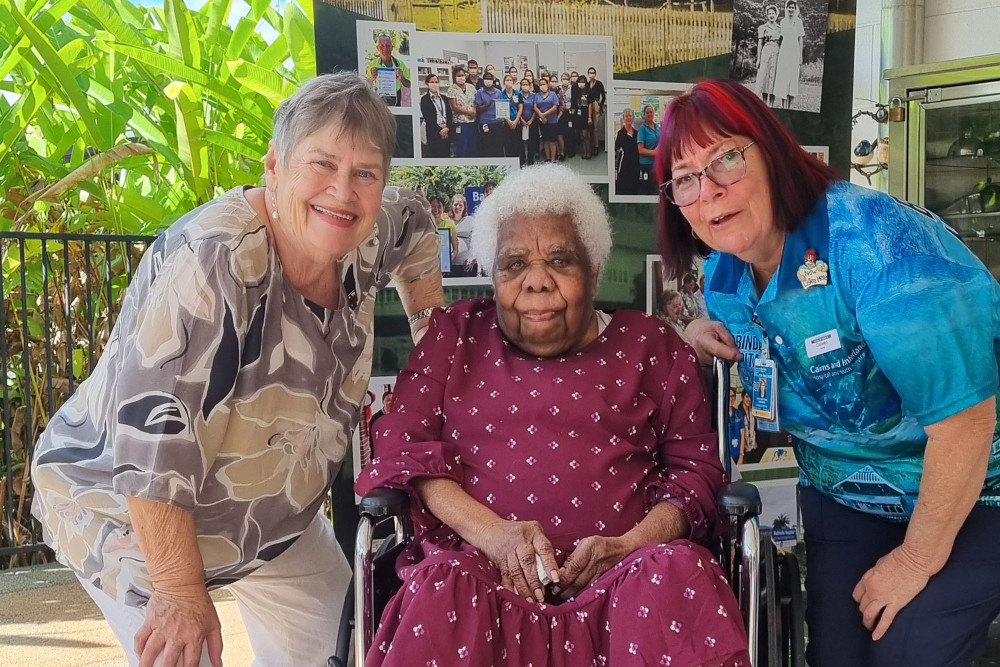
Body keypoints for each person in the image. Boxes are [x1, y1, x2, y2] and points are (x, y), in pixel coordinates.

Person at [30, 72, 445, 667]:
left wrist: (435, 350)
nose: (343, 191)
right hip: (130, 510)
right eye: (320, 164)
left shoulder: (376, 227)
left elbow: (420, 229)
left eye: (364, 173)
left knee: (340, 637)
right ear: (273, 166)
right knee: (183, 651)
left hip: (267, 514)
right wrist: (178, 590)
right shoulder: (213, 263)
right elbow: (151, 443)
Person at [656, 78, 1000, 667]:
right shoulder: (725, 282)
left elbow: (966, 422)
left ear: (772, 150)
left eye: (726, 159)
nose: (708, 191)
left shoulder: (874, 247)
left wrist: (914, 561)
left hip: (981, 483)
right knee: (836, 655)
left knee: (909, 648)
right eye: (686, 177)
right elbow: (764, 355)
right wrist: (692, 335)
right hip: (849, 490)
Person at [357, 163, 749, 667]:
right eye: (514, 264)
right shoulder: (455, 336)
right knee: (442, 588)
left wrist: (629, 544)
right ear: (493, 276)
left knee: (676, 573)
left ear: (595, 271)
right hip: (482, 576)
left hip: (629, 580)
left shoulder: (651, 345)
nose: (537, 282)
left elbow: (696, 475)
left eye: (560, 260)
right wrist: (494, 535)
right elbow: (402, 453)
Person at [772, 0, 804, 109]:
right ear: (786, 9)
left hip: (794, 52)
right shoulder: (783, 22)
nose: (790, 9)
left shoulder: (799, 22)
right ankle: (783, 106)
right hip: (784, 52)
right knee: (783, 77)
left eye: (792, 8)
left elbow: (800, 39)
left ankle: (789, 107)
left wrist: (800, 56)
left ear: (795, 9)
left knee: (793, 78)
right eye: (789, 7)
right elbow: (781, 38)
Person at [367, 32, 411, 107]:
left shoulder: (400, 64)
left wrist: (402, 78)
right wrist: (372, 77)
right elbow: (366, 84)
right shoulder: (372, 65)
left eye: (387, 46)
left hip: (396, 95)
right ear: (377, 48)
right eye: (382, 46)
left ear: (392, 47)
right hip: (379, 96)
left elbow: (408, 84)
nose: (385, 49)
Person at [448, 65, 478, 157]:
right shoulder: (452, 89)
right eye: (459, 76)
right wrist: (469, 112)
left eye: (462, 75)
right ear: (454, 77)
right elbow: (454, 107)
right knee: (462, 148)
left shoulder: (471, 87)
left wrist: (474, 110)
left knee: (473, 148)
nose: (461, 77)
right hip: (460, 123)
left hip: (472, 122)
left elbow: (475, 101)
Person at [420, 73, 452, 158]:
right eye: (432, 82)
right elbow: (428, 119)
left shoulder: (444, 98)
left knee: (447, 156)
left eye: (436, 82)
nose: (434, 84)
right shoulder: (424, 100)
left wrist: (447, 128)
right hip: (434, 134)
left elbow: (449, 114)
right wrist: (440, 131)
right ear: (427, 84)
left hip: (447, 133)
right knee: (435, 156)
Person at [754, 4, 781, 106]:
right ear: (767, 15)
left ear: (776, 15)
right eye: (769, 13)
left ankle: (772, 104)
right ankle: (765, 103)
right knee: (765, 76)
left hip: (776, 52)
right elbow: (760, 44)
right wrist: (758, 59)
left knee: (774, 76)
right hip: (766, 51)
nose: (771, 15)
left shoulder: (780, 28)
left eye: (773, 13)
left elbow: (782, 42)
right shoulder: (763, 27)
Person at [475, 71, 505, 157]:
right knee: (487, 146)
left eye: (490, 78)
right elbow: (478, 109)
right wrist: (488, 104)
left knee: (498, 146)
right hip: (485, 122)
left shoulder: (498, 92)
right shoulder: (480, 92)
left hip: (498, 122)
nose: (488, 80)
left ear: (493, 80)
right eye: (486, 78)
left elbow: (502, 106)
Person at [533, 77, 560, 163]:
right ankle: (547, 158)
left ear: (547, 85)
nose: (542, 86)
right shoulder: (537, 95)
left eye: (544, 84)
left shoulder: (553, 94)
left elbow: (555, 107)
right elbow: (535, 106)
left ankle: (553, 159)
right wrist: (541, 115)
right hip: (542, 121)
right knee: (545, 140)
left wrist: (544, 114)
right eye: (541, 85)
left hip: (552, 121)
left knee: (552, 140)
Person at [614, 107, 640, 195]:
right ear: (623, 118)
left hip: (636, 165)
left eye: (630, 116)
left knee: (635, 188)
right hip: (624, 166)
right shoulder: (620, 134)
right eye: (626, 116)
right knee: (624, 188)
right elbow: (616, 149)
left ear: (633, 117)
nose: (628, 118)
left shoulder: (637, 133)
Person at [500, 74, 524, 160]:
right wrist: (509, 121)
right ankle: (510, 161)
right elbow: (501, 108)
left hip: (517, 121)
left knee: (517, 142)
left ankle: (519, 161)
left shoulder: (518, 93)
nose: (509, 82)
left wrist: (516, 120)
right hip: (506, 122)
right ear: (504, 82)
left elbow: (520, 107)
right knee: (508, 143)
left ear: (513, 82)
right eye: (507, 80)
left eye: (510, 80)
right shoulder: (501, 94)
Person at [637, 104, 660, 194]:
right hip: (646, 165)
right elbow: (640, 150)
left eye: (651, 112)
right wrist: (654, 152)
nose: (649, 114)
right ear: (644, 114)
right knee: (648, 189)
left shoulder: (657, 127)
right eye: (647, 112)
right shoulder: (642, 129)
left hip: (656, 164)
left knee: (656, 188)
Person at [570, 74, 593, 160]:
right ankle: (584, 152)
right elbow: (573, 102)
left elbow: (590, 105)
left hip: (586, 114)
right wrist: (573, 111)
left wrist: (590, 117)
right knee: (581, 135)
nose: (581, 83)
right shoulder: (575, 91)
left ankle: (588, 152)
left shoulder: (589, 91)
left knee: (586, 134)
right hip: (578, 115)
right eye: (580, 82)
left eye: (583, 82)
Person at [431, 196, 459, 262]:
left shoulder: (449, 225)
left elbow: (456, 250)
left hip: (444, 264)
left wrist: (451, 257)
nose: (436, 209)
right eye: (433, 206)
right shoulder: (424, 226)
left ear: (443, 208)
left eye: (439, 207)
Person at [587, 67, 607, 156]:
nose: (592, 74)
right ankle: (590, 146)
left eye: (593, 72)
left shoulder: (599, 84)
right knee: (588, 127)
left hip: (596, 105)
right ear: (588, 74)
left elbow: (603, 96)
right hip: (587, 106)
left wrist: (600, 105)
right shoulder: (586, 84)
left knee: (596, 128)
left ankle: (596, 146)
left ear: (595, 74)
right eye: (590, 72)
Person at [518, 78, 537, 166]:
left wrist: (531, 120)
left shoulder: (534, 95)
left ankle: (530, 159)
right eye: (523, 84)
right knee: (521, 142)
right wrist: (521, 120)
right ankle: (522, 159)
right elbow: (517, 108)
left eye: (526, 84)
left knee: (531, 141)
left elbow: (535, 109)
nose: (525, 86)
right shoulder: (518, 95)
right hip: (521, 121)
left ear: (529, 86)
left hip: (532, 121)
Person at [726, 388, 746, 466]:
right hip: (726, 454)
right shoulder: (720, 415)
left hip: (737, 454)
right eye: (729, 396)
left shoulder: (738, 413)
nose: (731, 399)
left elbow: (742, 435)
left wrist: (741, 455)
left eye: (733, 396)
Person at [557, 74, 574, 160]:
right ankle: (562, 152)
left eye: (567, 79)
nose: (565, 80)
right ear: (561, 79)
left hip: (569, 112)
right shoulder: (558, 89)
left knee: (569, 132)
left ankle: (570, 150)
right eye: (563, 79)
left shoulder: (572, 89)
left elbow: (574, 99)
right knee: (560, 132)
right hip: (560, 113)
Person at [740, 392, 760, 464]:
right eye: (747, 397)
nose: (749, 399)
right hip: (744, 448)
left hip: (754, 446)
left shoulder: (754, 411)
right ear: (742, 398)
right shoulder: (738, 413)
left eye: (750, 397)